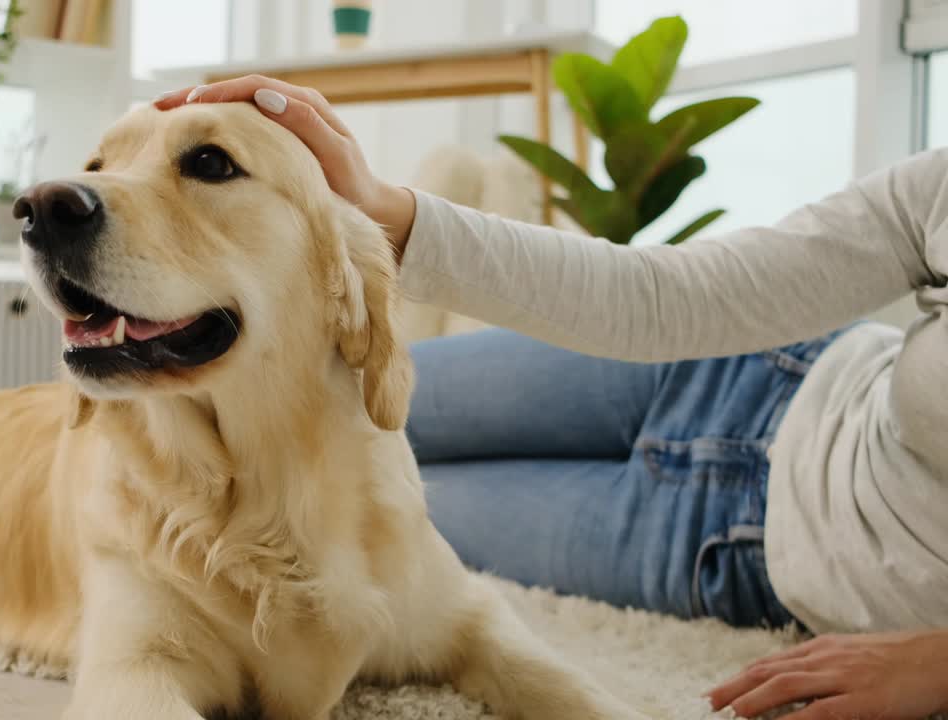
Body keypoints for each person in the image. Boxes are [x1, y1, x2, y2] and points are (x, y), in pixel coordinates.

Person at [153, 78, 948, 720]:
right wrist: (386, 209)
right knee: (297, 407)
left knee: (387, 539)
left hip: (722, 547)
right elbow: (667, 298)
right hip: (744, 376)